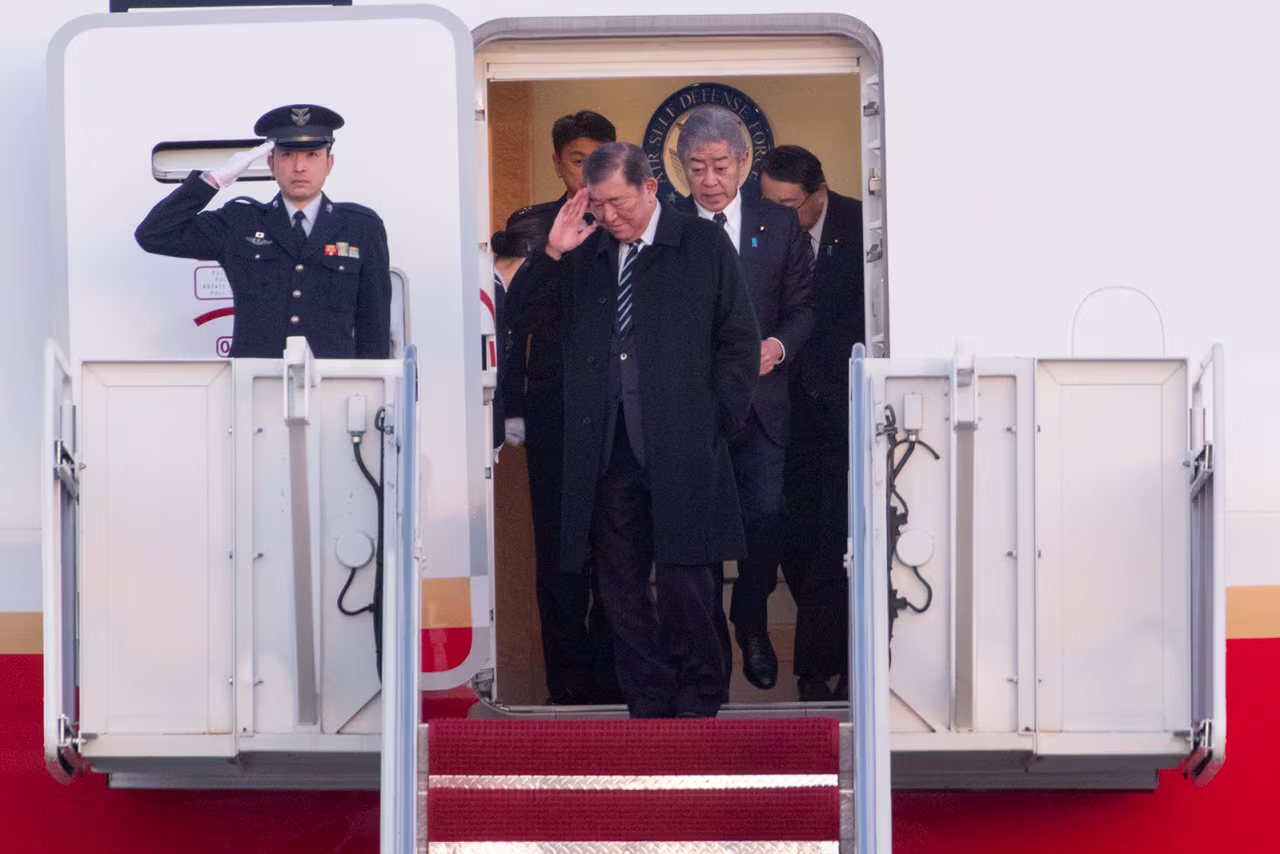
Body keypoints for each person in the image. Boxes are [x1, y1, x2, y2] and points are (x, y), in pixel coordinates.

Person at [507, 142, 760, 718]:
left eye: (618, 203)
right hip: (608, 447)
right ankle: (646, 696)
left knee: (686, 582)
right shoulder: (584, 253)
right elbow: (519, 316)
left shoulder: (699, 244)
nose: (609, 217)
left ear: (650, 188)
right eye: (597, 207)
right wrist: (551, 252)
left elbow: (739, 341)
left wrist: (716, 420)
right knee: (618, 585)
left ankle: (699, 696)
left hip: (682, 443)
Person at [675, 106, 815, 693]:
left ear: (743, 162)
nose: (709, 180)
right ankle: (707, 646)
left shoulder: (778, 226)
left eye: (720, 166)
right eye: (696, 167)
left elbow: (806, 310)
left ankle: (750, 622)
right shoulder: (665, 223)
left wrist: (777, 347)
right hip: (691, 409)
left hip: (761, 405)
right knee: (698, 529)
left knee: (764, 518)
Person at [501, 110, 619, 705]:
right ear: (556, 162)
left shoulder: (634, 221)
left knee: (621, 550)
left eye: (600, 158)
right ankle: (568, 684)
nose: (589, 171)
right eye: (578, 160)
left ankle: (614, 678)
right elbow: (514, 316)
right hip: (555, 413)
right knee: (560, 553)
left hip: (622, 416)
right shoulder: (531, 227)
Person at [136, 104, 390, 358]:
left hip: (332, 388)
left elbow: (374, 329)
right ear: (271, 162)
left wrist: (369, 389)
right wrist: (213, 181)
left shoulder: (361, 227)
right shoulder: (240, 222)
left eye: (312, 155)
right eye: (288, 155)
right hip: (253, 387)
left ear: (329, 163)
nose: (299, 167)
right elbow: (154, 234)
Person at [759, 144, 864, 701]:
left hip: (848, 407)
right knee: (790, 535)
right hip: (785, 406)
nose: (779, 216)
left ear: (819, 194)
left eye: (790, 205)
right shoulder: (757, 230)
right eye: (769, 203)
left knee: (835, 534)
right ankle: (830, 652)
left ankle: (823, 666)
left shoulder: (863, 223)